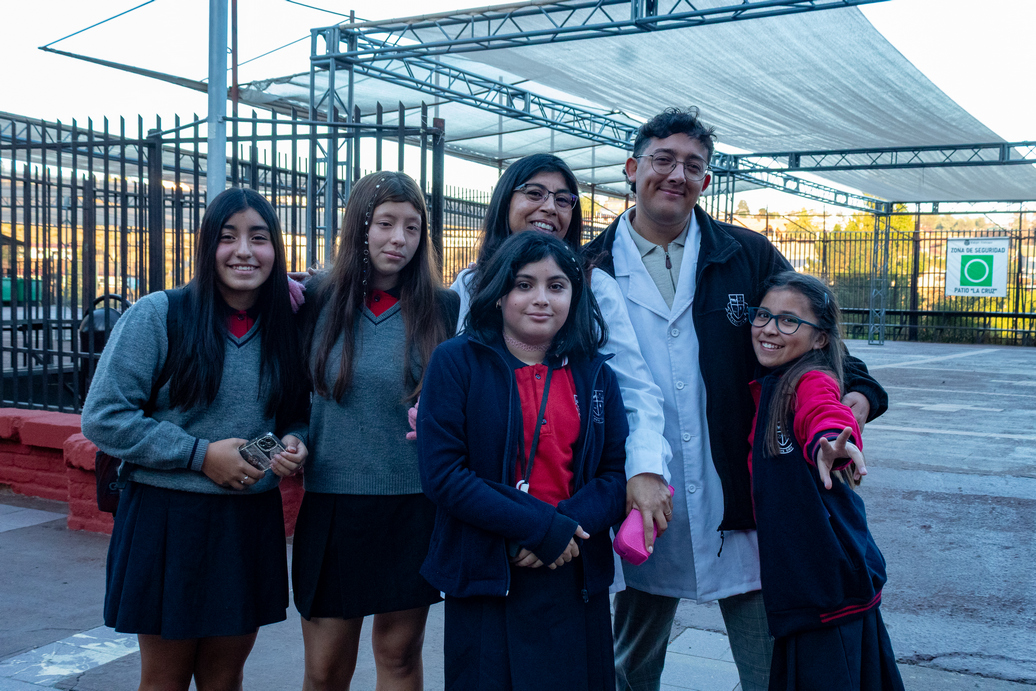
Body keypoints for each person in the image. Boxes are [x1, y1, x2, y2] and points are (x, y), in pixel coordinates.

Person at [581, 107, 889, 691]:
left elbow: (814, 333)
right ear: (631, 168)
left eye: (693, 165)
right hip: (640, 492)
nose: (677, 174)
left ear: (706, 180)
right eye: (663, 159)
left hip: (739, 497)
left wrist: (856, 397)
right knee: (630, 665)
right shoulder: (588, 268)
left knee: (769, 664)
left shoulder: (745, 254)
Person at [81, 187, 309, 691]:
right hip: (167, 521)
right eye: (228, 237)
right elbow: (102, 416)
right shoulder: (159, 314)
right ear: (207, 246)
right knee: (164, 680)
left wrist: (296, 440)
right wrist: (199, 455)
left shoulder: (286, 329)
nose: (244, 251)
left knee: (224, 679)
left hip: (247, 522)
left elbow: (298, 411)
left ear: (276, 249)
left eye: (259, 238)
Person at [418, 231, 628, 690]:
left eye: (556, 286)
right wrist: (536, 528)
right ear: (498, 294)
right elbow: (443, 475)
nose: (541, 299)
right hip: (489, 569)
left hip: (574, 565)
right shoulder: (456, 362)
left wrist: (562, 528)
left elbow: (614, 476)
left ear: (574, 296)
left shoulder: (596, 372)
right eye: (524, 284)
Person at [451, 153, 674, 564]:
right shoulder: (469, 284)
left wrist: (645, 467)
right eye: (534, 193)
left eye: (563, 199)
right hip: (487, 511)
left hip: (573, 512)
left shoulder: (594, 286)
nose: (550, 207)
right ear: (505, 200)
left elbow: (634, 388)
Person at [291, 171, 459, 691]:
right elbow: (288, 398)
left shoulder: (443, 307)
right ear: (359, 227)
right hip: (333, 504)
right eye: (385, 223)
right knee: (325, 670)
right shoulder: (314, 299)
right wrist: (293, 439)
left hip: (413, 507)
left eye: (412, 227)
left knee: (400, 656)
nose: (399, 240)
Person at [748, 271, 903, 691]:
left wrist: (830, 443)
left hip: (828, 583)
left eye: (789, 321)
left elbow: (822, 411)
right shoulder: (772, 379)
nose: (769, 329)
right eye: (763, 315)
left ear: (820, 338)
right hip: (810, 582)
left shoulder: (809, 378)